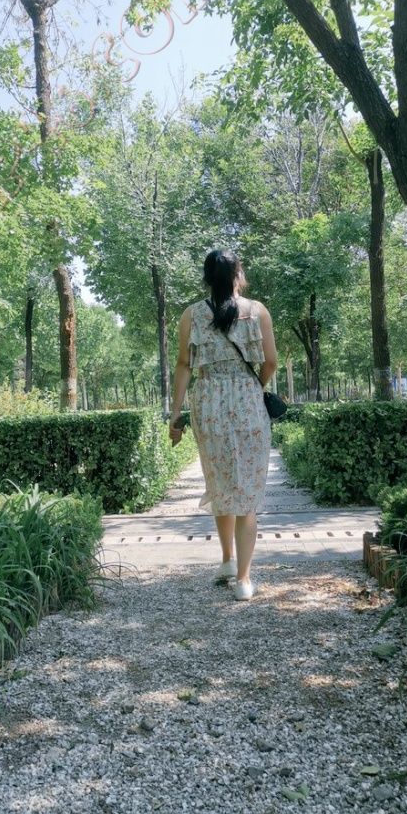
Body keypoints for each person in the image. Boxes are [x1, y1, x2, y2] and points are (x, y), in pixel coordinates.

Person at [169, 250, 278, 601]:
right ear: (237, 275)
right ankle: (243, 579)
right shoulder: (258, 311)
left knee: (219, 484)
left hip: (209, 406)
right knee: (247, 490)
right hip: (248, 404)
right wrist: (254, 385)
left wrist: (175, 414)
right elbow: (271, 362)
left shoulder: (191, 315)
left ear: (206, 277)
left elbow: (184, 365)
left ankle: (228, 560)